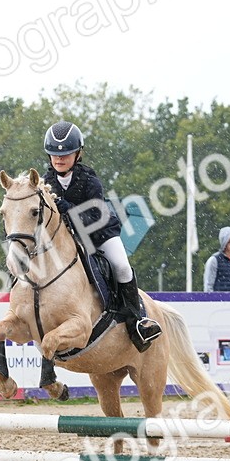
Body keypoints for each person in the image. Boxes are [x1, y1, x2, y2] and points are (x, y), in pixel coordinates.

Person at [42, 121, 161, 349]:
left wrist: (66, 206)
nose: (59, 159)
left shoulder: (89, 180)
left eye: (66, 153)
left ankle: (136, 321)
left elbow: (94, 219)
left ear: (78, 154)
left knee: (122, 266)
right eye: (54, 154)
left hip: (98, 233)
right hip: (66, 240)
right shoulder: (45, 183)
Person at [203, 227, 230, 292]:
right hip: (220, 300)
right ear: (224, 242)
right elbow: (208, 285)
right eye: (229, 242)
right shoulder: (214, 260)